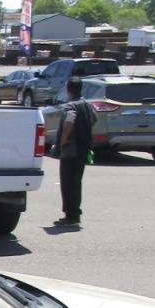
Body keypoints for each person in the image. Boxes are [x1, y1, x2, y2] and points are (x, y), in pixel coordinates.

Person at [53, 78, 94, 228]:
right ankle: (74, 213)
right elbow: (94, 119)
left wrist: (64, 140)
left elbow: (70, 121)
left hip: (71, 150)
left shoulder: (70, 106)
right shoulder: (86, 104)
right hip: (83, 149)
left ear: (69, 89)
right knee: (76, 182)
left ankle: (71, 215)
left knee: (68, 183)